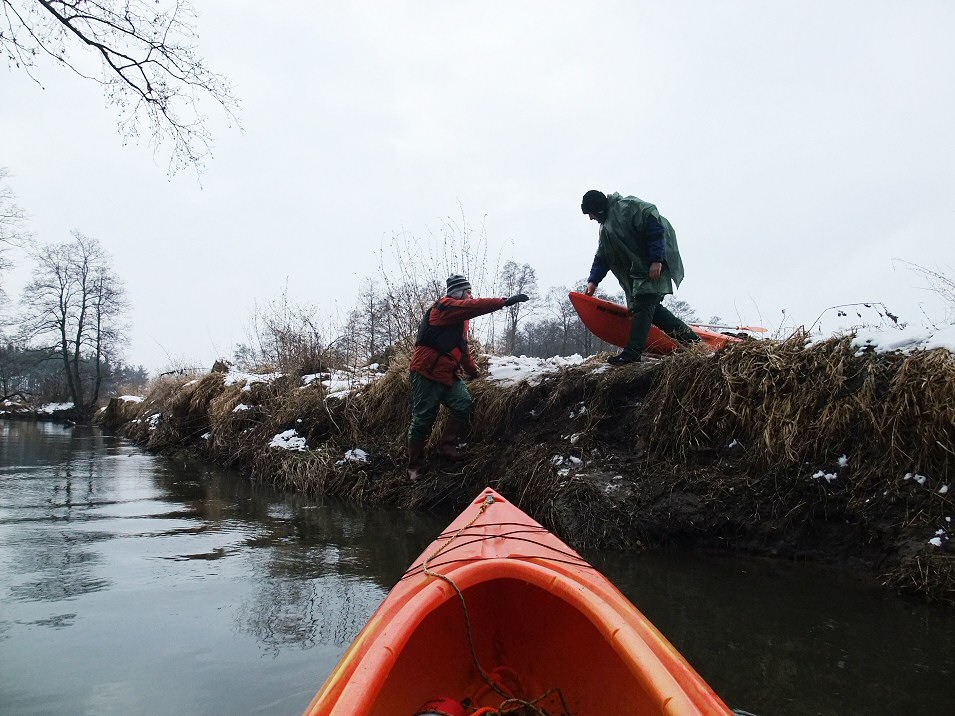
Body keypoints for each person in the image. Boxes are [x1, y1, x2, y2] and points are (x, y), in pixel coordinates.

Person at [407, 274, 528, 480]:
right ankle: (414, 467)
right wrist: (504, 302)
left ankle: (447, 446)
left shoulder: (461, 321)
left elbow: (462, 350)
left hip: (448, 374)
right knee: (423, 418)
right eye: (468, 292)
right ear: (457, 293)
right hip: (426, 371)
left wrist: (473, 371)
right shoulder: (443, 307)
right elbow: (473, 306)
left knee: (463, 403)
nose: (471, 296)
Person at [580, 189, 700, 364]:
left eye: (591, 213)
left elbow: (653, 224)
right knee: (654, 311)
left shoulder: (627, 207)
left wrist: (656, 260)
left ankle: (633, 352)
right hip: (639, 272)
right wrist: (593, 281)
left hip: (653, 265)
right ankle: (695, 343)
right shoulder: (606, 228)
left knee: (644, 303)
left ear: (598, 208)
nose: (591, 218)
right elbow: (602, 257)